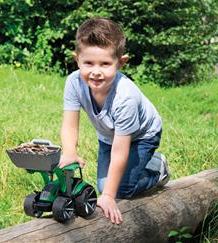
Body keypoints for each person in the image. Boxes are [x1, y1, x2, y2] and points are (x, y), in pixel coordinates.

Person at [58, 17, 170, 225]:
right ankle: (128, 175)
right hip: (109, 135)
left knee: (121, 190)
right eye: (88, 63)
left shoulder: (124, 97)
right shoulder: (74, 82)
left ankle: (157, 168)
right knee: (103, 185)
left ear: (121, 63)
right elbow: (70, 123)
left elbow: (120, 149)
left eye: (105, 64)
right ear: (77, 60)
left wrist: (109, 197)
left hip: (142, 135)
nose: (96, 71)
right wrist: (70, 151)